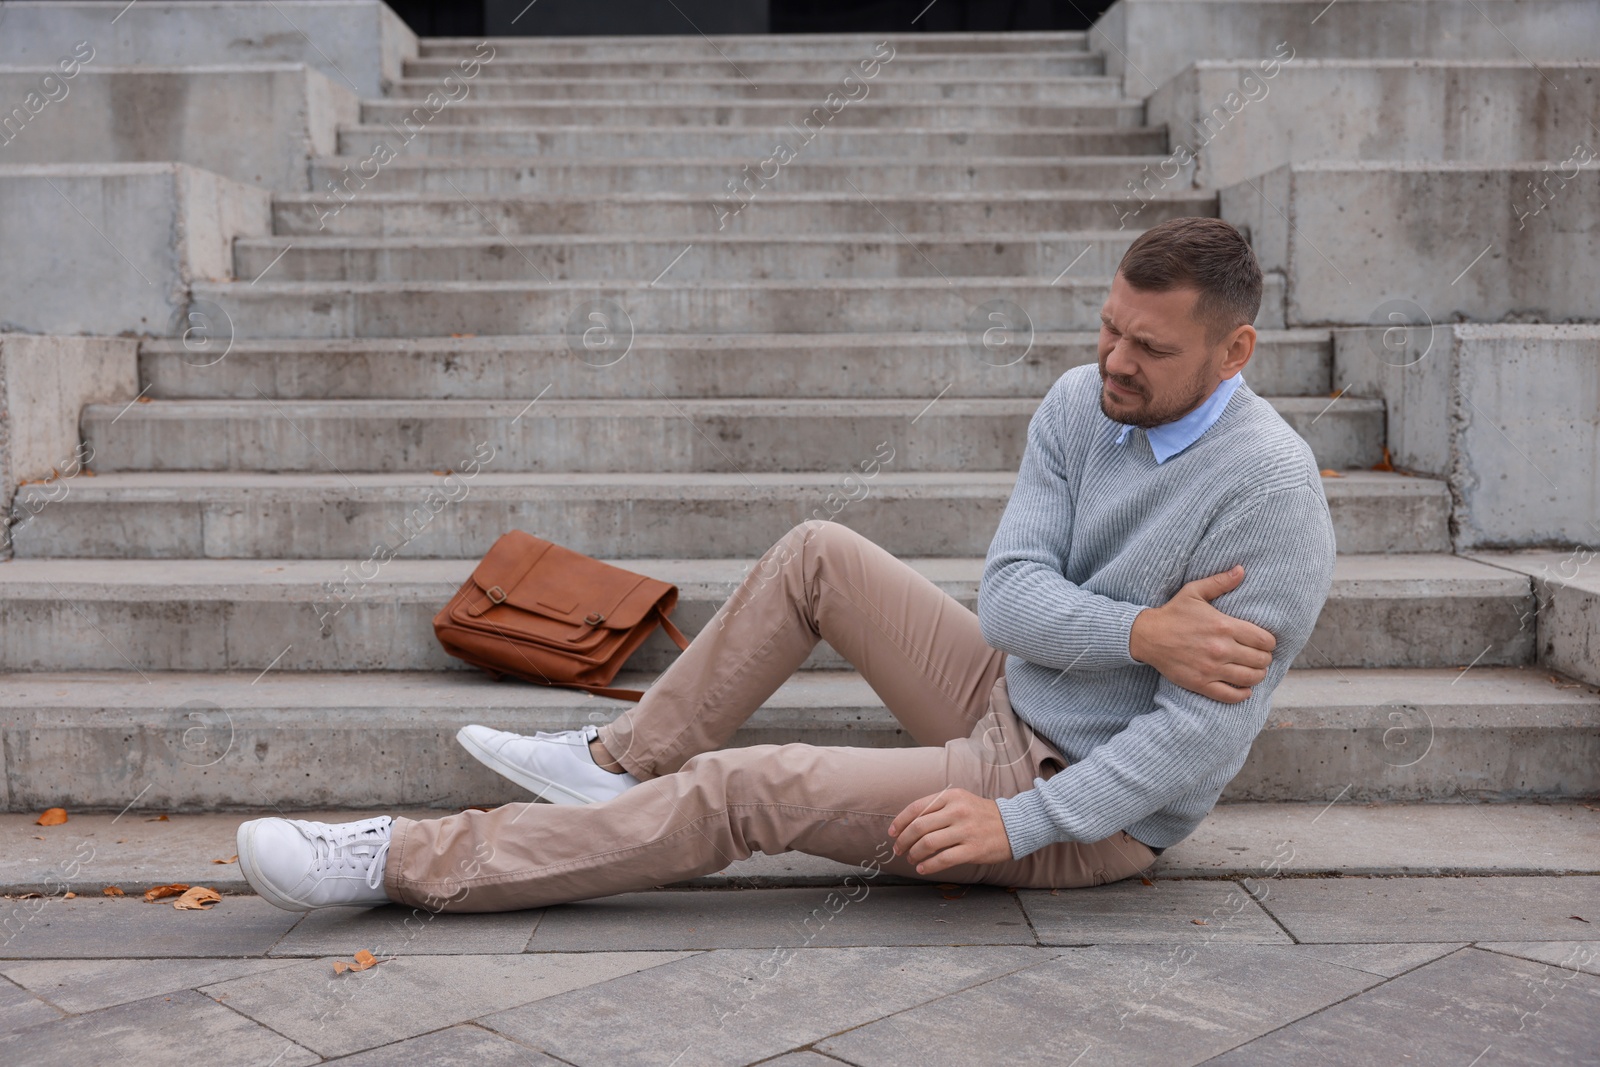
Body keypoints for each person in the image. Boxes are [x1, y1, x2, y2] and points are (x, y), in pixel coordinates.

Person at [236, 217, 1337, 913]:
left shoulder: (1271, 494)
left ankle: (399, 861)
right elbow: (1008, 600)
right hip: (1011, 685)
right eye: (1107, 329)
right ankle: (621, 761)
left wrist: (1020, 821)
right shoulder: (1076, 402)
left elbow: (1194, 743)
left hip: (1078, 801)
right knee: (819, 552)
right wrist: (1138, 631)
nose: (1112, 362)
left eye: (1148, 348)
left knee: (747, 786)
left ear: (1233, 351)